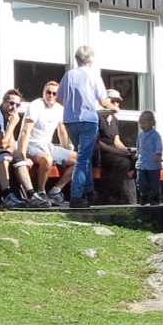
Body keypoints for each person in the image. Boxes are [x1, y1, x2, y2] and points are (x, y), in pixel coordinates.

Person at [57, 46, 114, 207]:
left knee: (84, 155)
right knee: (83, 158)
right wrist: (115, 108)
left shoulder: (68, 75)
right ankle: (76, 195)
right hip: (88, 120)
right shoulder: (93, 75)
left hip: (70, 120)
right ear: (90, 59)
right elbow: (103, 101)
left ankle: (88, 191)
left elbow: (59, 99)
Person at [134, 108, 163, 206]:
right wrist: (136, 154)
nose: (142, 125)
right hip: (142, 163)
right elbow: (138, 147)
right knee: (141, 181)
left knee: (154, 182)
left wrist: (158, 154)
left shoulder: (155, 135)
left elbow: (159, 147)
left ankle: (156, 197)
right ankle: (144, 196)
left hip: (152, 164)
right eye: (140, 123)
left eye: (144, 123)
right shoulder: (140, 135)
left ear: (152, 122)